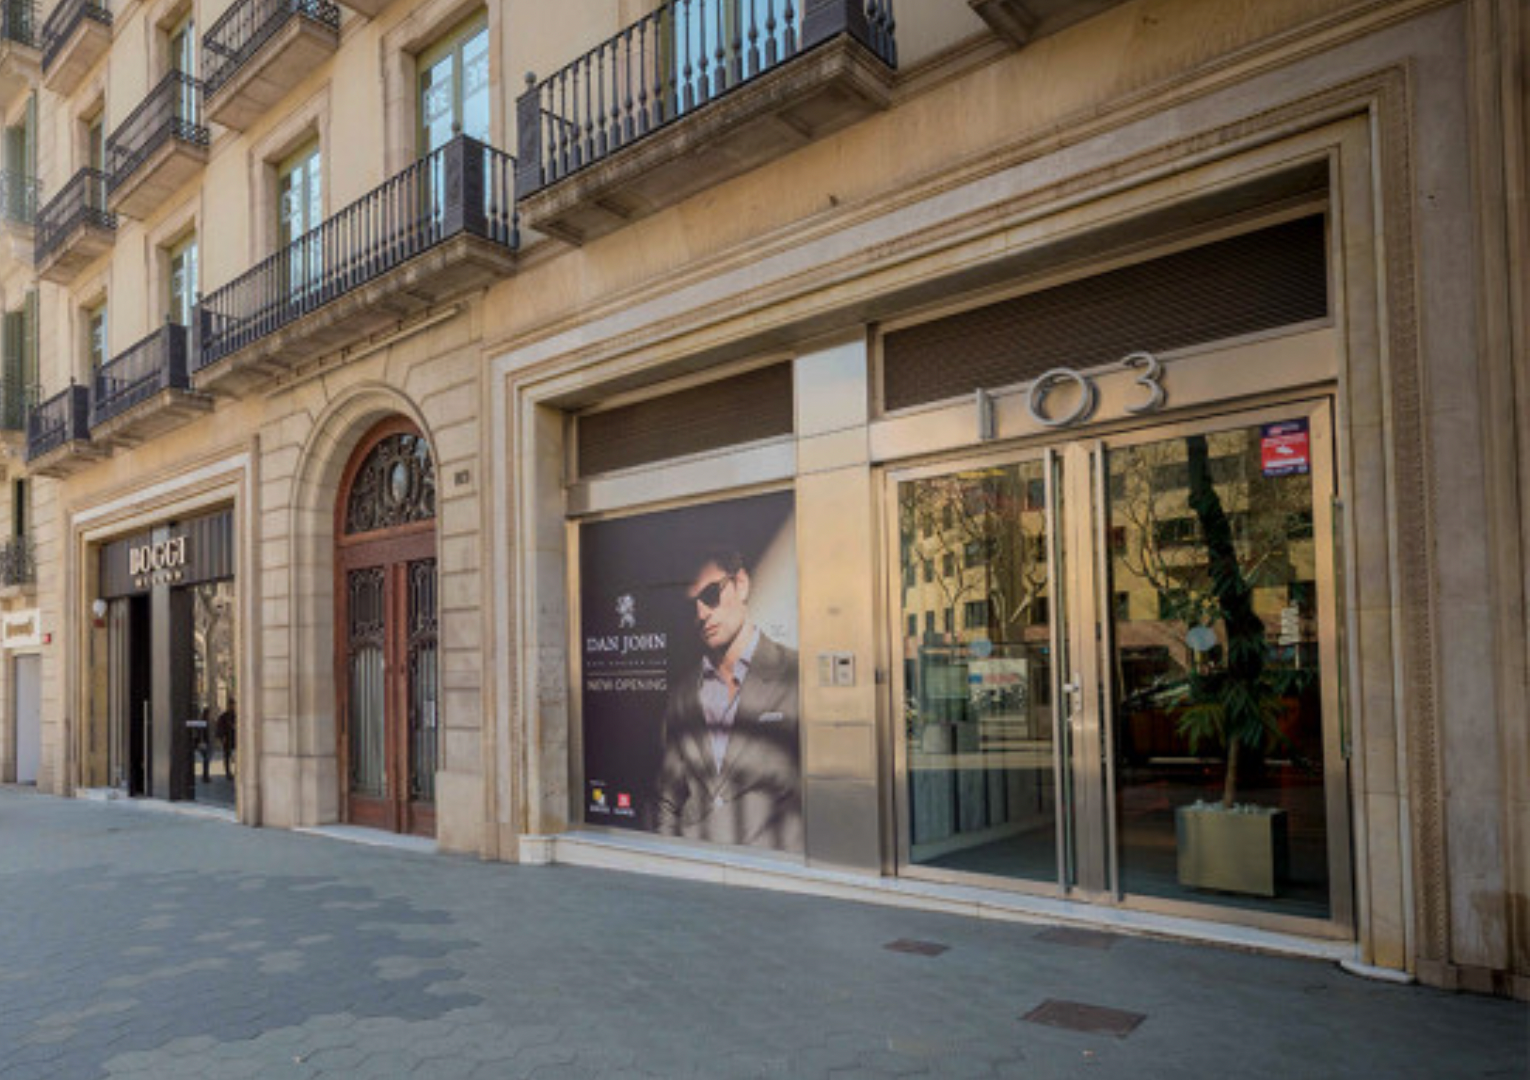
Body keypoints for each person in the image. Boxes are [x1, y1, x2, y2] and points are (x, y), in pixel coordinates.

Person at [655, 548, 801, 851]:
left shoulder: (796, 675)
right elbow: (669, 799)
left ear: (742, 584)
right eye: (690, 605)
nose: (701, 613)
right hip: (697, 869)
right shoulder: (682, 697)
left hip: (776, 872)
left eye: (711, 594)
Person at [216, 700, 237, 780]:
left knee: (236, 756)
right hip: (227, 739)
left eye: (233, 705)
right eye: (231, 705)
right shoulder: (224, 716)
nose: (233, 707)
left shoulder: (236, 715)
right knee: (227, 756)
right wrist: (222, 738)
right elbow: (220, 727)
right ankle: (228, 772)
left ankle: (235, 771)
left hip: (234, 739)